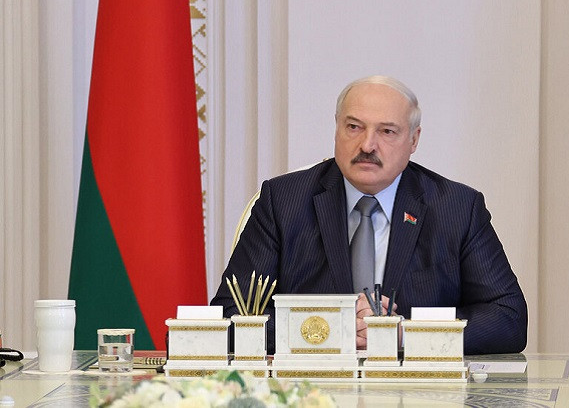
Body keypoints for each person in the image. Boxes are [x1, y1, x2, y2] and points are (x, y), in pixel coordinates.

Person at [210, 75, 527, 354]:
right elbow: (230, 315)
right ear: (336, 128)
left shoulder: (455, 207)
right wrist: (332, 329)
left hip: (420, 389)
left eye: (387, 131)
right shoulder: (284, 201)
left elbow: (508, 318)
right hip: (311, 387)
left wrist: (403, 334)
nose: (367, 145)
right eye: (354, 127)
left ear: (413, 140)